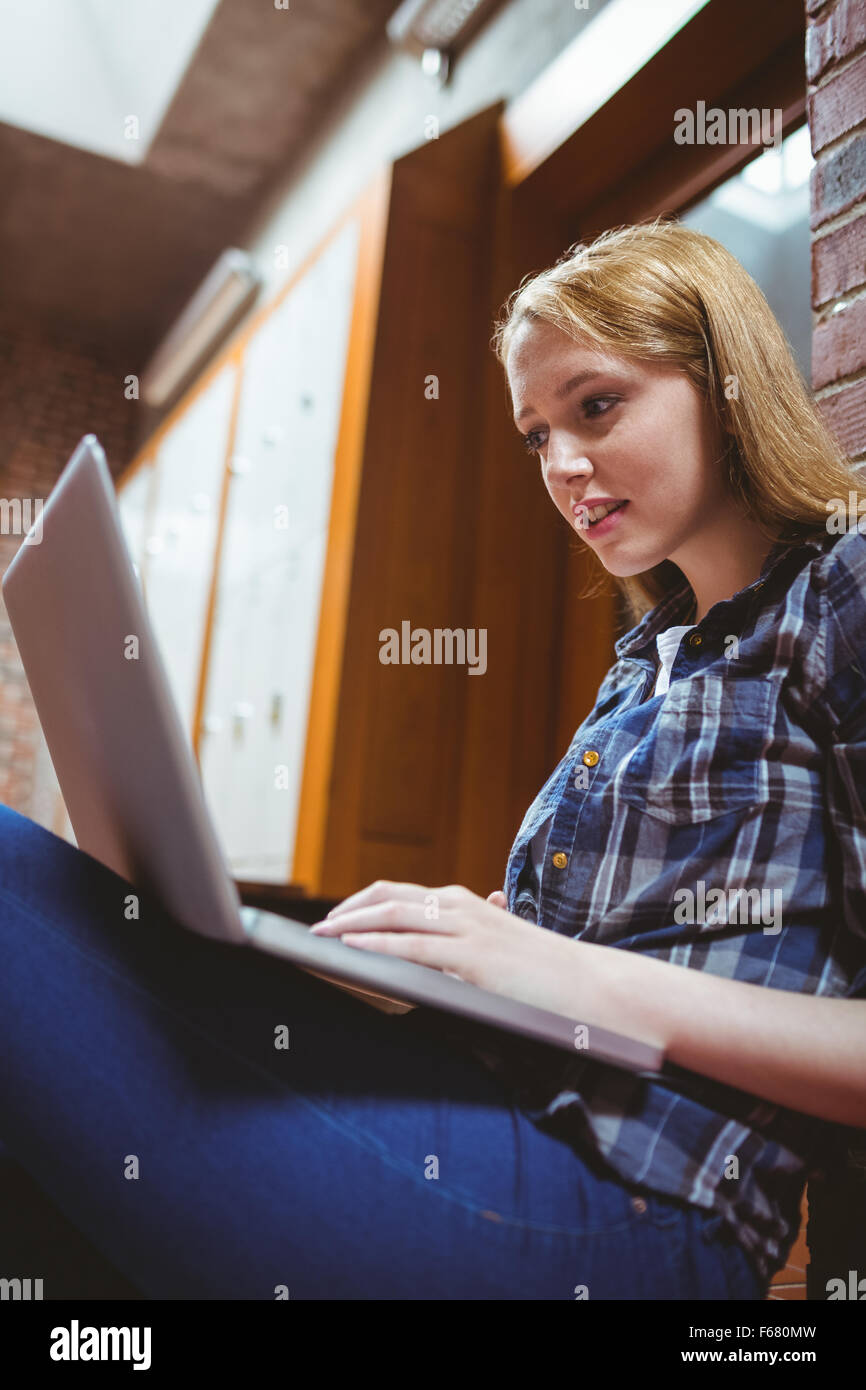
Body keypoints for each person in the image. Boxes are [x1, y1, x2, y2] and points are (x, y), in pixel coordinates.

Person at [1, 221, 863, 1301]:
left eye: (594, 405)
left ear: (724, 381)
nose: (560, 465)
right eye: (534, 433)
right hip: (476, 1107)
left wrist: (563, 970)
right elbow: (568, 972)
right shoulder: (642, 663)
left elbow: (600, 986)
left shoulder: (840, 594)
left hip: (630, 1210)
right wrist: (438, 959)